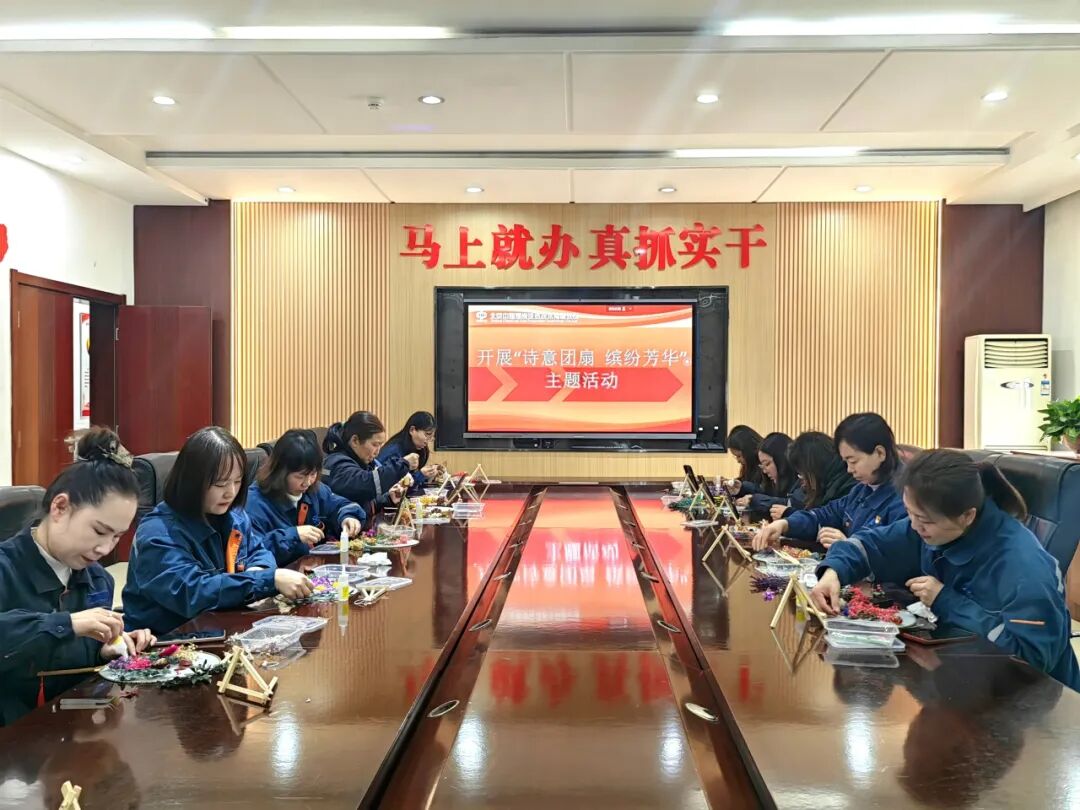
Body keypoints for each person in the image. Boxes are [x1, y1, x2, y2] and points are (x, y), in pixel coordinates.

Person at [811, 449, 1080, 691]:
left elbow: (1032, 660)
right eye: (910, 513)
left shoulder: (1023, 567)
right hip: (962, 677)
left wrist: (947, 600)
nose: (913, 526)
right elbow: (872, 543)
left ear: (968, 516)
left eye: (923, 520)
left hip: (1030, 702)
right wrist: (834, 572)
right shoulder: (933, 525)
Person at [0, 428, 156, 725]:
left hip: (70, 733)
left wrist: (106, 651)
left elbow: (72, 675)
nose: (105, 548)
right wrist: (66, 624)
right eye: (99, 531)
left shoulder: (98, 581)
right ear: (60, 507)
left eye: (116, 536)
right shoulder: (6, 569)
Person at [123, 427, 313, 635]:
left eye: (237, 481)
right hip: (166, 640)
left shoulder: (235, 516)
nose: (231, 492)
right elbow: (193, 592)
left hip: (219, 628)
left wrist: (258, 570)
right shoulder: (157, 533)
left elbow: (259, 551)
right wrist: (266, 580)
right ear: (192, 481)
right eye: (220, 484)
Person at [753, 414, 903, 551]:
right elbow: (823, 515)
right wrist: (785, 524)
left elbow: (895, 555)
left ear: (880, 453)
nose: (849, 470)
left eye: (853, 461)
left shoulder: (905, 497)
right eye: (846, 462)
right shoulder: (861, 490)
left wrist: (850, 546)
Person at [246, 429, 366, 566]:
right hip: (279, 575)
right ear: (280, 471)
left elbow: (339, 504)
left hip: (312, 570)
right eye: (300, 476)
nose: (307, 482)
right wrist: (293, 535)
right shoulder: (254, 503)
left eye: (313, 474)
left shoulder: (314, 490)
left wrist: (347, 517)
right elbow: (251, 551)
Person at [322, 411, 414, 515]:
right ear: (355, 441)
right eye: (375, 445)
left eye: (380, 445)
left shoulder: (357, 461)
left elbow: (362, 502)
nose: (377, 452)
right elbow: (366, 485)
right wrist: (403, 464)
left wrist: (388, 498)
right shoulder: (337, 464)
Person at [735, 432, 803, 521]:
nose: (764, 471)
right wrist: (742, 488)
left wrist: (755, 500)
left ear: (782, 460)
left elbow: (791, 503)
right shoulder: (776, 481)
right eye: (762, 466)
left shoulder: (801, 480)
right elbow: (765, 492)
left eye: (767, 464)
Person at [378, 411, 442, 494]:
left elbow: (410, 483)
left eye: (431, 438)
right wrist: (421, 475)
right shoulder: (394, 451)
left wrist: (429, 475)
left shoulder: (416, 448)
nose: (427, 442)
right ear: (412, 430)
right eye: (427, 434)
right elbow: (395, 486)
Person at [723, 425, 765, 495]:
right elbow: (747, 481)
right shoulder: (751, 464)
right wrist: (732, 483)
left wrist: (744, 487)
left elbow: (766, 492)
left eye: (739, 456)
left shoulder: (765, 464)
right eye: (736, 456)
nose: (738, 461)